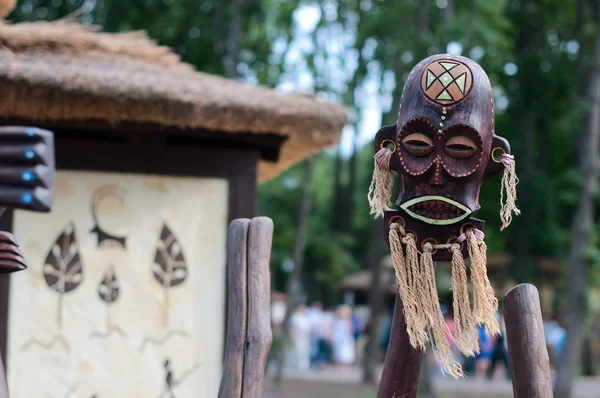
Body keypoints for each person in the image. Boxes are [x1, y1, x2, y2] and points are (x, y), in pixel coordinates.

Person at [332, 305, 356, 369]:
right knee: (342, 358)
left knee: (347, 358)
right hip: (341, 342)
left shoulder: (348, 322)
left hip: (347, 342)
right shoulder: (339, 322)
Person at [290, 305, 311, 370]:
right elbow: (292, 327)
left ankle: (304, 364)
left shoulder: (306, 317)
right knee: (298, 350)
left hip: (305, 336)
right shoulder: (295, 316)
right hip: (298, 336)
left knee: (305, 350)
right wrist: (292, 336)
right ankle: (297, 364)